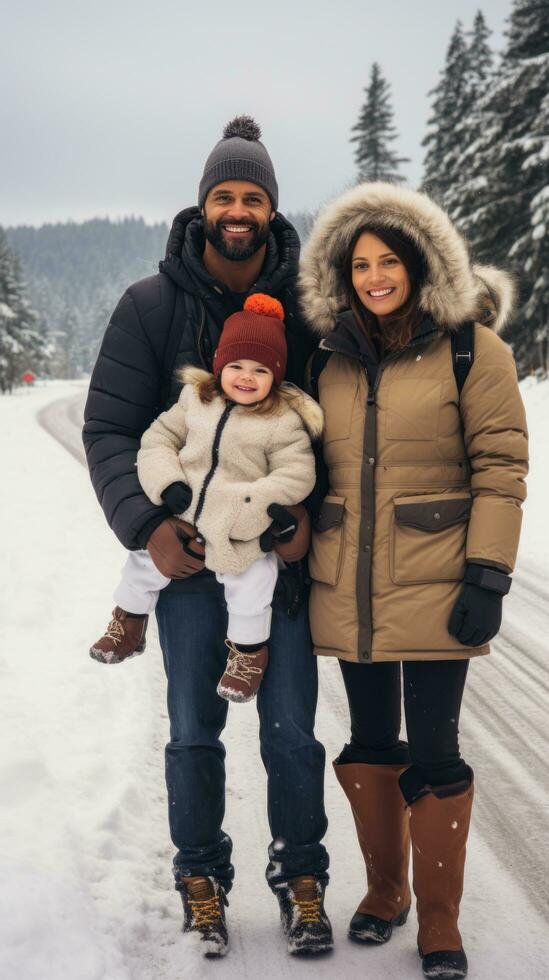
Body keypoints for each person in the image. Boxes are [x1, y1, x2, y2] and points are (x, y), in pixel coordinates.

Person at [83, 117, 332, 958]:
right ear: (202, 206)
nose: (237, 209)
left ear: (270, 208)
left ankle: (302, 876)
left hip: (271, 564)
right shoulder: (149, 306)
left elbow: (331, 435)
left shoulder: (310, 307)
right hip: (186, 568)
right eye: (224, 195)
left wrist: (302, 525)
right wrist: (147, 527)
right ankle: (201, 876)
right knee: (194, 730)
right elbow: (113, 430)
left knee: (291, 730)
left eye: (252, 196)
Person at [299, 181, 528, 979]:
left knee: (433, 748)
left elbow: (500, 467)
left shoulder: (472, 348)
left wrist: (488, 572)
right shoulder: (324, 353)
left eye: (387, 260)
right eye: (357, 264)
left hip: (437, 578)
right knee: (369, 742)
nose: (372, 277)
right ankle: (385, 891)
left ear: (420, 262)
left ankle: (438, 922)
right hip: (349, 582)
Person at [91, 294, 323, 706]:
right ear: (219, 365)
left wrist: (252, 506)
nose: (246, 377)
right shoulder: (194, 400)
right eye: (235, 366)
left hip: (239, 526)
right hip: (183, 512)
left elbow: (297, 472)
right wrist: (167, 483)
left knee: (253, 583)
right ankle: (127, 620)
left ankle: (249, 654)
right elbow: (157, 440)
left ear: (276, 375)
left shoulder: (282, 421)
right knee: (143, 563)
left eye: (259, 370)